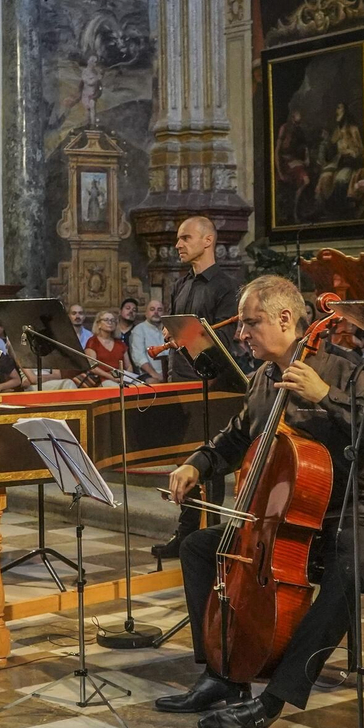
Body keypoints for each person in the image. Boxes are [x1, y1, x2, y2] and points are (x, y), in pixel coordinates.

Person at [156, 275, 364, 728]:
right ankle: (222, 674)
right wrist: (195, 464)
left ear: (286, 319)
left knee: (346, 571)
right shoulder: (263, 379)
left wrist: (326, 398)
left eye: (251, 323)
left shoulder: (346, 370)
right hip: (287, 517)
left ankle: (272, 701)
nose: (241, 334)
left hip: (354, 509)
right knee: (199, 548)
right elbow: (233, 439)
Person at [154, 215, 244, 560]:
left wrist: (183, 334)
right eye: (178, 239)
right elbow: (178, 331)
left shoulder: (225, 286)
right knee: (184, 459)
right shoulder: (181, 285)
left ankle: (212, 536)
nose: (179, 244)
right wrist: (172, 333)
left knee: (210, 460)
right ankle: (187, 532)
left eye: (186, 238)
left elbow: (225, 340)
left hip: (210, 384)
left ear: (208, 241)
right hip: (181, 380)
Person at [84, 310, 127, 386]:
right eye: (106, 320)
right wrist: (111, 377)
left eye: (112, 320)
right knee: (116, 387)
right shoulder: (92, 342)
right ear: (99, 324)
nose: (110, 322)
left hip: (121, 378)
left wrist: (125, 376)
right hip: (102, 379)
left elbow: (129, 366)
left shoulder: (120, 344)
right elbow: (92, 367)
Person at [128, 298, 167, 382]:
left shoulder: (169, 329)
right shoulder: (139, 330)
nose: (156, 312)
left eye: (159, 310)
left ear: (164, 313)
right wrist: (155, 375)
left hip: (169, 372)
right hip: (147, 374)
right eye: (152, 309)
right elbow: (139, 357)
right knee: (153, 383)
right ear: (146, 314)